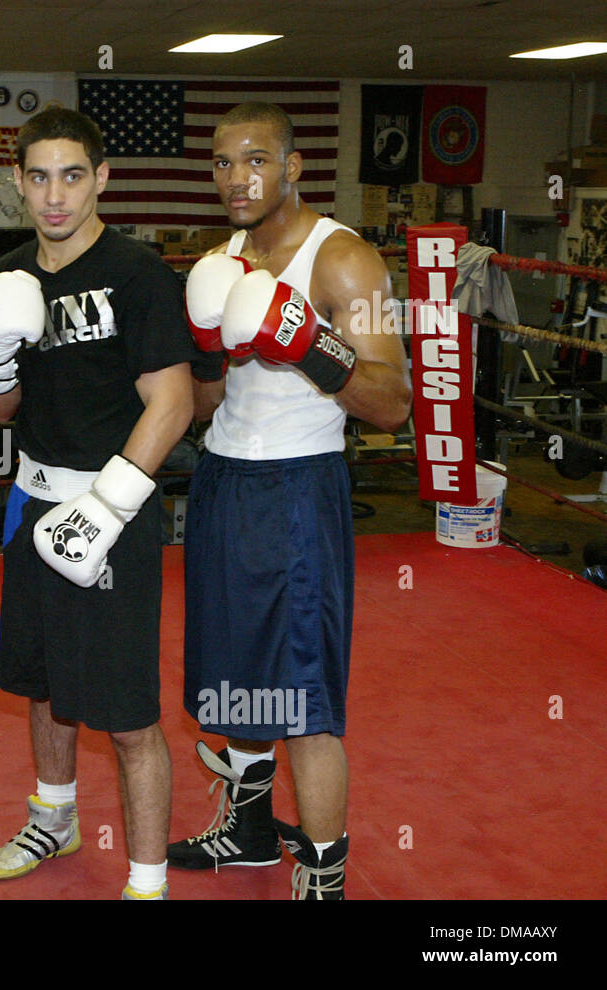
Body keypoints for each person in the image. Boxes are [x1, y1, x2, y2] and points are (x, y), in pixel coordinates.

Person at [167, 102, 411, 899]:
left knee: (305, 693)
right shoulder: (221, 262)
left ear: (295, 166)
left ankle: (324, 872)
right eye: (222, 163)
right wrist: (209, 349)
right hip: (225, 481)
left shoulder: (345, 260)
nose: (237, 178)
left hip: (301, 487)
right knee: (235, 667)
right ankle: (247, 828)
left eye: (257, 159)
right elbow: (204, 407)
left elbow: (394, 402)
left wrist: (310, 344)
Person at [0, 107, 195, 900]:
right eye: (39, 177)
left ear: (101, 178)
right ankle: (54, 818)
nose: (55, 196)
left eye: (73, 175)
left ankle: (146, 880)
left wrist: (105, 509)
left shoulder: (137, 274)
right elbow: (0, 412)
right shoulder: (10, 275)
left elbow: (172, 404)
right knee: (41, 685)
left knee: (128, 713)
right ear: (19, 184)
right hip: (31, 507)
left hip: (113, 512)